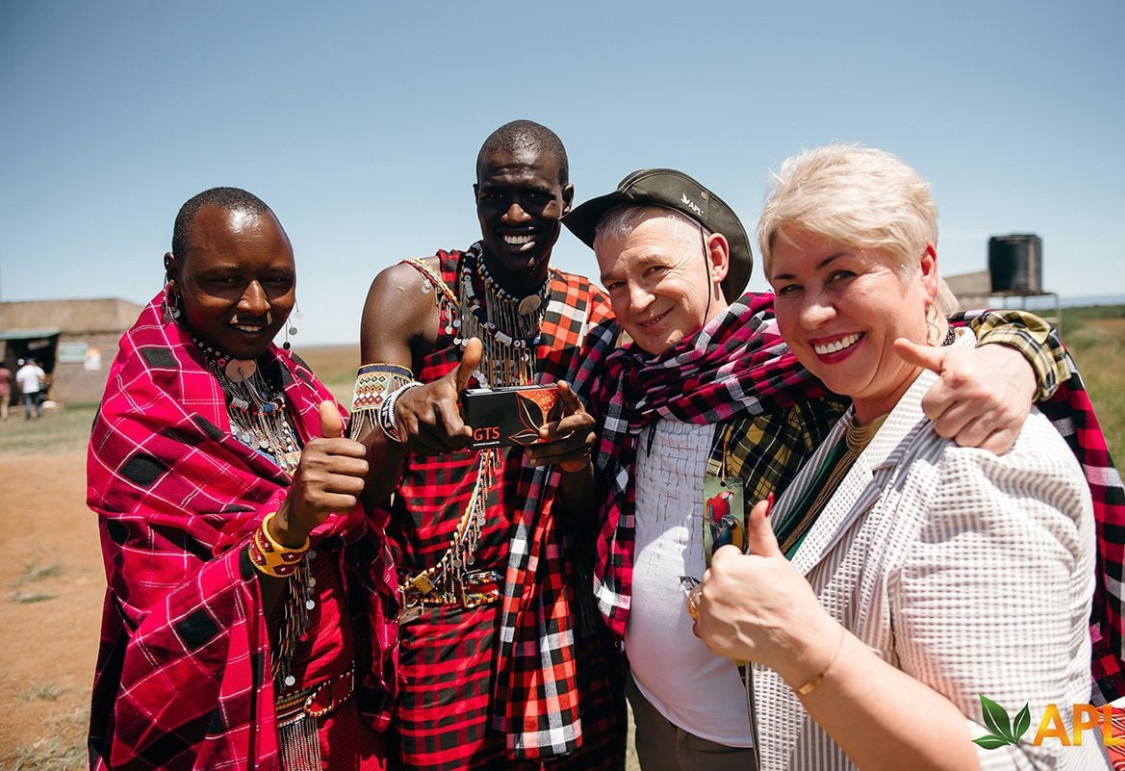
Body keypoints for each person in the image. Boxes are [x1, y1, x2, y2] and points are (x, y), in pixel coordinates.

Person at [560, 168, 1071, 770]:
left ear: (716, 258)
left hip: (764, 732)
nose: (636, 300)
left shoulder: (796, 363)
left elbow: (934, 337)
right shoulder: (624, 380)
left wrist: (1013, 354)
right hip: (654, 709)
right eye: (616, 283)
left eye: (654, 271)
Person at [693, 144, 1112, 769]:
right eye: (789, 286)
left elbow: (1025, 757)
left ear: (925, 271)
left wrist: (800, 643)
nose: (812, 312)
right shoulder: (858, 415)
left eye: (842, 274)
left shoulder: (982, 454)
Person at [86, 187, 396, 770]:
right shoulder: (145, 408)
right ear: (173, 273)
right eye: (225, 281)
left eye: (277, 282)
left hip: (340, 716)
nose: (256, 304)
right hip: (231, 726)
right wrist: (286, 527)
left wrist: (400, 428)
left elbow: (355, 516)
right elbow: (164, 624)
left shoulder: (291, 380)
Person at [353, 120, 624, 769]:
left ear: (565, 199)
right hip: (445, 616)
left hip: (560, 617)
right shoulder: (411, 292)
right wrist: (400, 413)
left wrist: (576, 463)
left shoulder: (595, 316)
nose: (514, 215)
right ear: (475, 197)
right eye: (496, 196)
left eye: (534, 196)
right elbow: (365, 470)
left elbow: (597, 513)